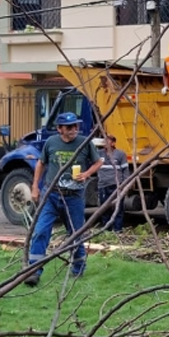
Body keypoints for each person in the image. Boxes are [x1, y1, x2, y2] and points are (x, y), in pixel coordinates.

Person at [24, 112, 103, 286]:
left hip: (74, 198)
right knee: (40, 232)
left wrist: (87, 174)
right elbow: (41, 164)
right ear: (59, 129)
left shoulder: (84, 142)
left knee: (76, 234)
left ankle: (78, 269)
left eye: (76, 126)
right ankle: (33, 271)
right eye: (69, 127)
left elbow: (99, 162)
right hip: (51, 196)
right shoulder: (51, 143)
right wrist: (35, 187)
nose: (74, 129)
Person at [96, 135, 130, 233]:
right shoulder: (98, 154)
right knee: (104, 208)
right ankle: (106, 230)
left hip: (116, 185)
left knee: (118, 208)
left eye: (108, 141)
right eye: (104, 141)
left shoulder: (120, 154)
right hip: (103, 185)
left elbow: (125, 170)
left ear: (113, 143)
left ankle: (117, 229)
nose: (106, 143)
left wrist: (124, 185)